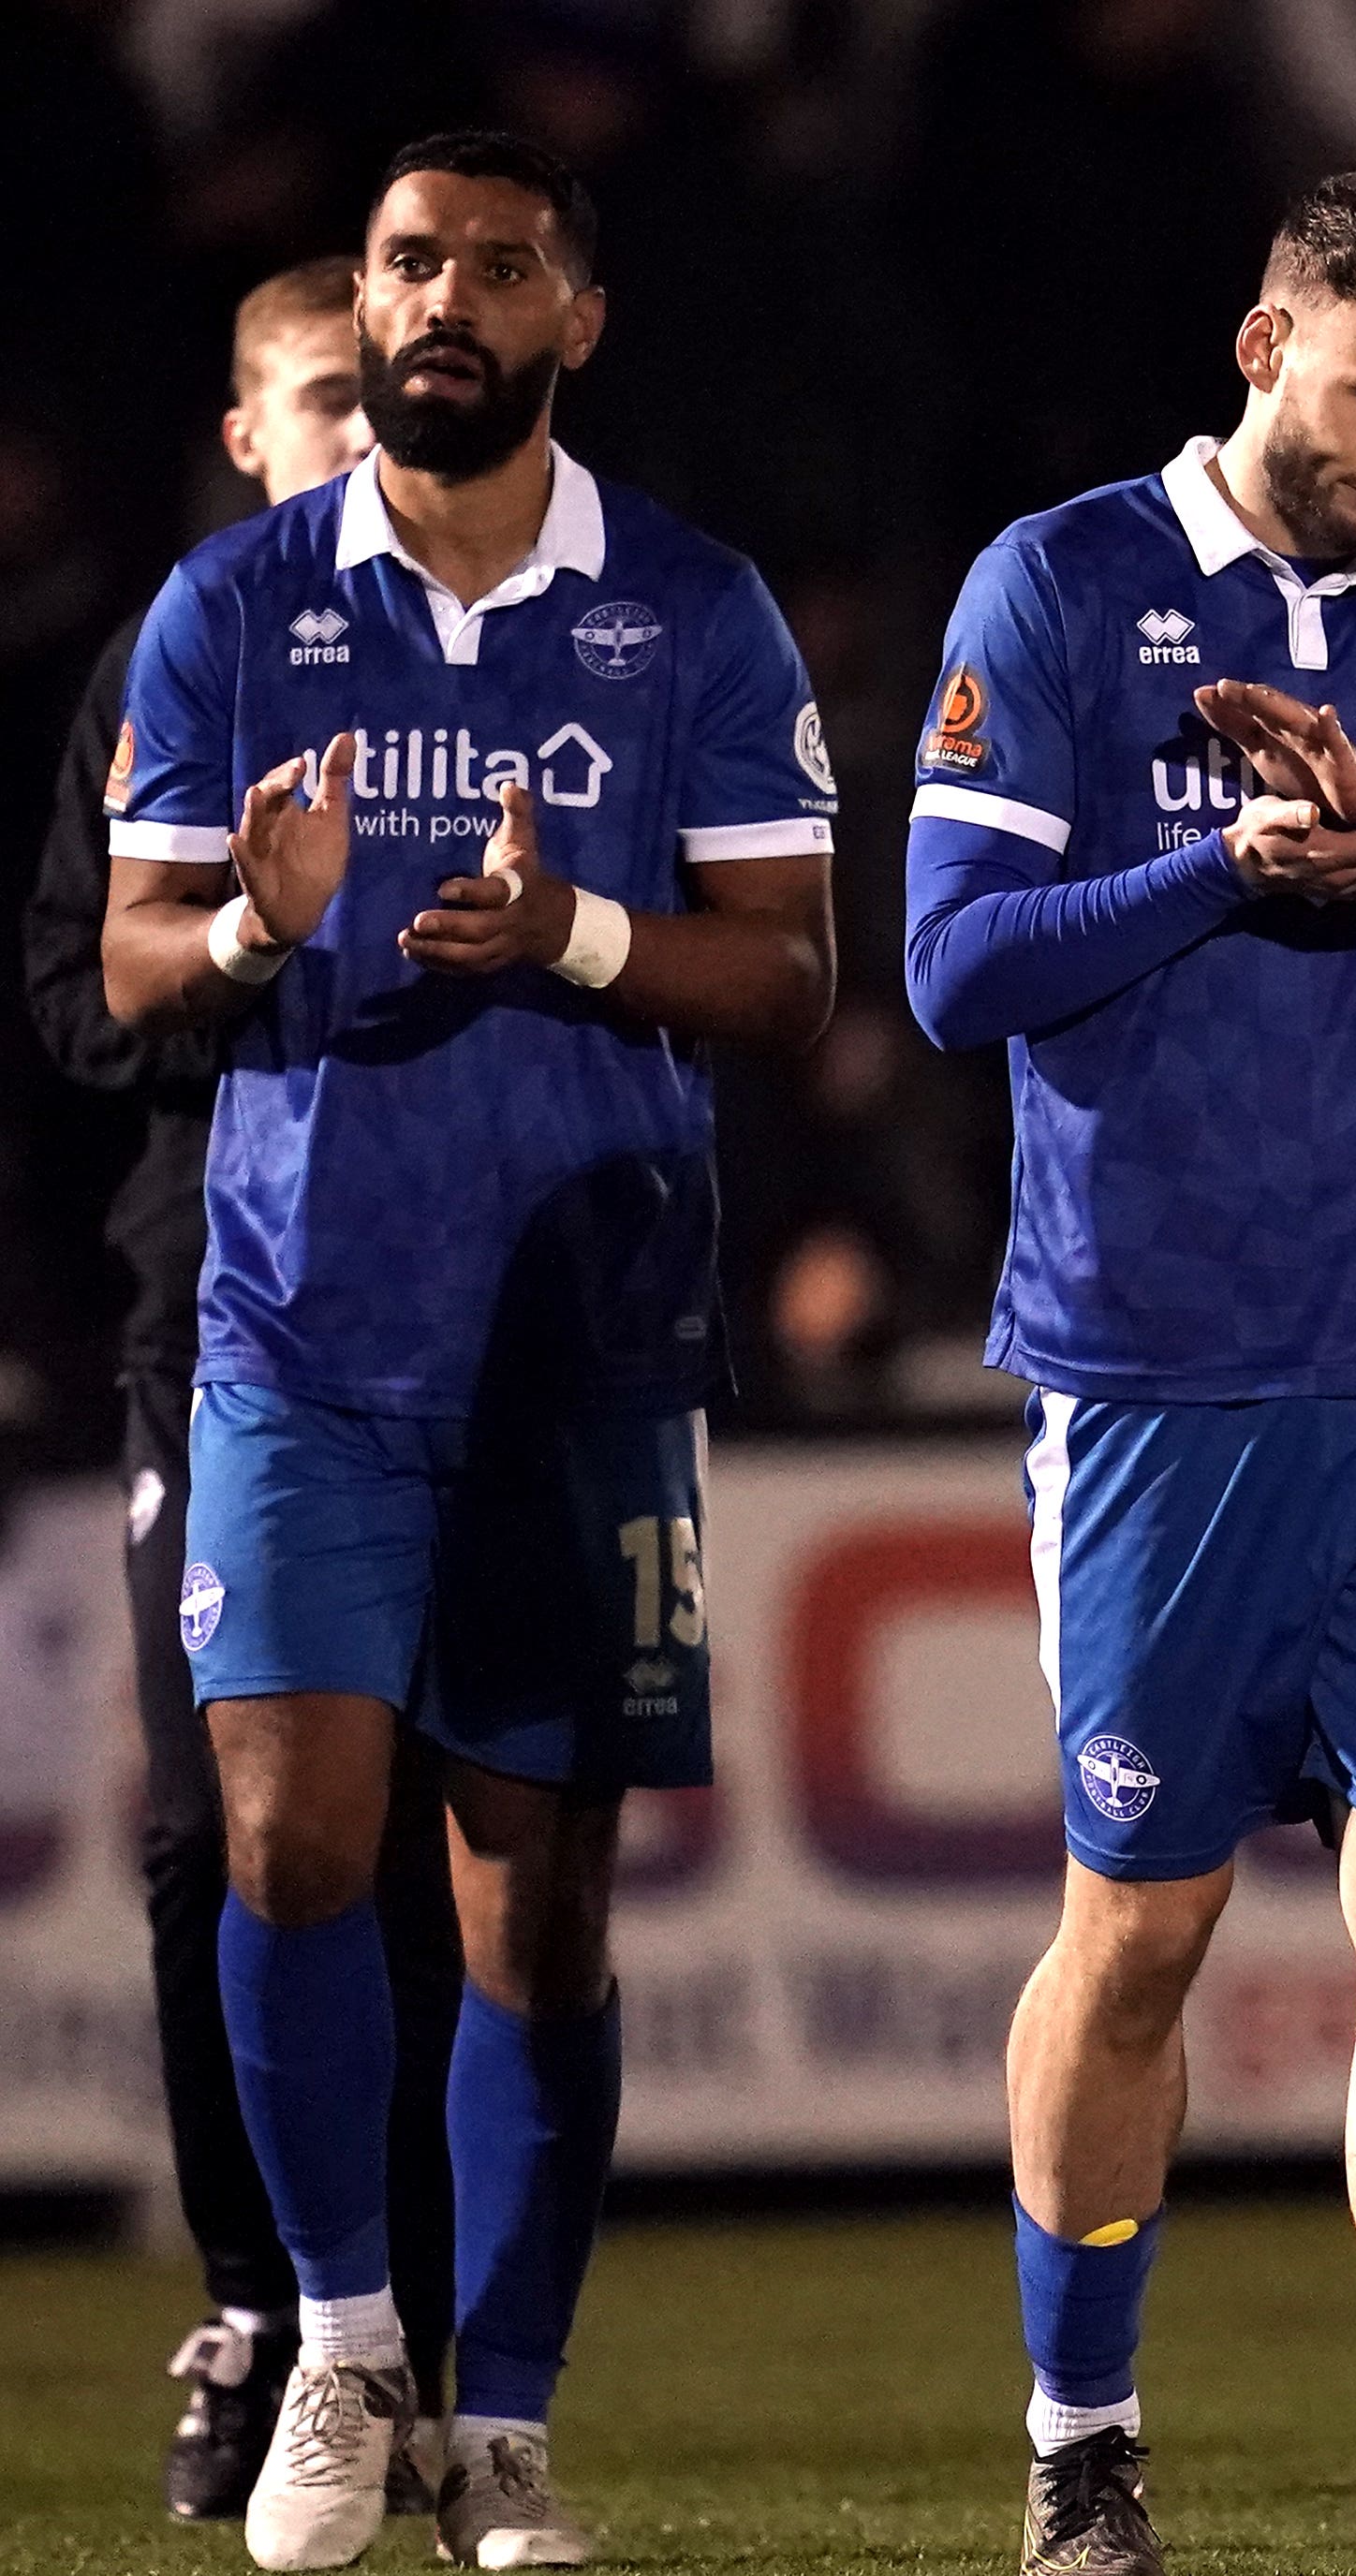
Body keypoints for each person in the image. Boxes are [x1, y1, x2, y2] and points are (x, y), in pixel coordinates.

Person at [96, 132, 840, 2569]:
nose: (440, 299)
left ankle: (502, 2427)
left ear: (574, 324)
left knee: (536, 1902)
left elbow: (796, 975)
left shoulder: (696, 615)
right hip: (303, 1325)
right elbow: (123, 962)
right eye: (410, 261)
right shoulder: (228, 608)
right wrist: (244, 936)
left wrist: (574, 943)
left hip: (586, 1327)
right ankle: (340, 2344)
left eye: (494, 268)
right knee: (291, 1840)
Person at [898, 172, 1356, 2576]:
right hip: (1158, 1374)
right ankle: (1082, 2431)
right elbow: (951, 964)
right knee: (1146, 1929)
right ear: (1262, 339)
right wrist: (1229, 861)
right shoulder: (1061, 581)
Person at [21, 258, 471, 2529]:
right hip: (217, 1303)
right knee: (225, 1830)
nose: (339, 432)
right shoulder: (178, 655)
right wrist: (247, 948)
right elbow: (74, 1011)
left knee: (450, 1846)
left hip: (475, 1314)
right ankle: (262, 2300)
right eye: (306, 399)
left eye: (359, 397)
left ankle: (423, 2339)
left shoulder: (502, 647)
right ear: (246, 431)